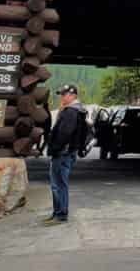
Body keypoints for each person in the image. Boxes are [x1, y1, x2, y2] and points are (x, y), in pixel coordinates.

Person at [45, 84, 88, 225]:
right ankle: (58, 213)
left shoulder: (70, 112)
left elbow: (64, 133)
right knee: (59, 184)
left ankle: (61, 214)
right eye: (61, 94)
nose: (62, 97)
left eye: (64, 94)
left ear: (73, 95)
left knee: (58, 184)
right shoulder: (78, 110)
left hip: (62, 152)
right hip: (68, 152)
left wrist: (54, 148)